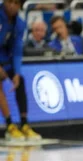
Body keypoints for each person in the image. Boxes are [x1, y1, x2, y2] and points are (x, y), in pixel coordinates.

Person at [0, 0, 41, 141]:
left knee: (20, 81)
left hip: (4, 58)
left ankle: (24, 124)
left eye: (16, 3)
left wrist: (16, 72)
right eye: (9, 2)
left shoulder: (20, 23)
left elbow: (17, 50)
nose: (12, 6)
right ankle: (10, 125)